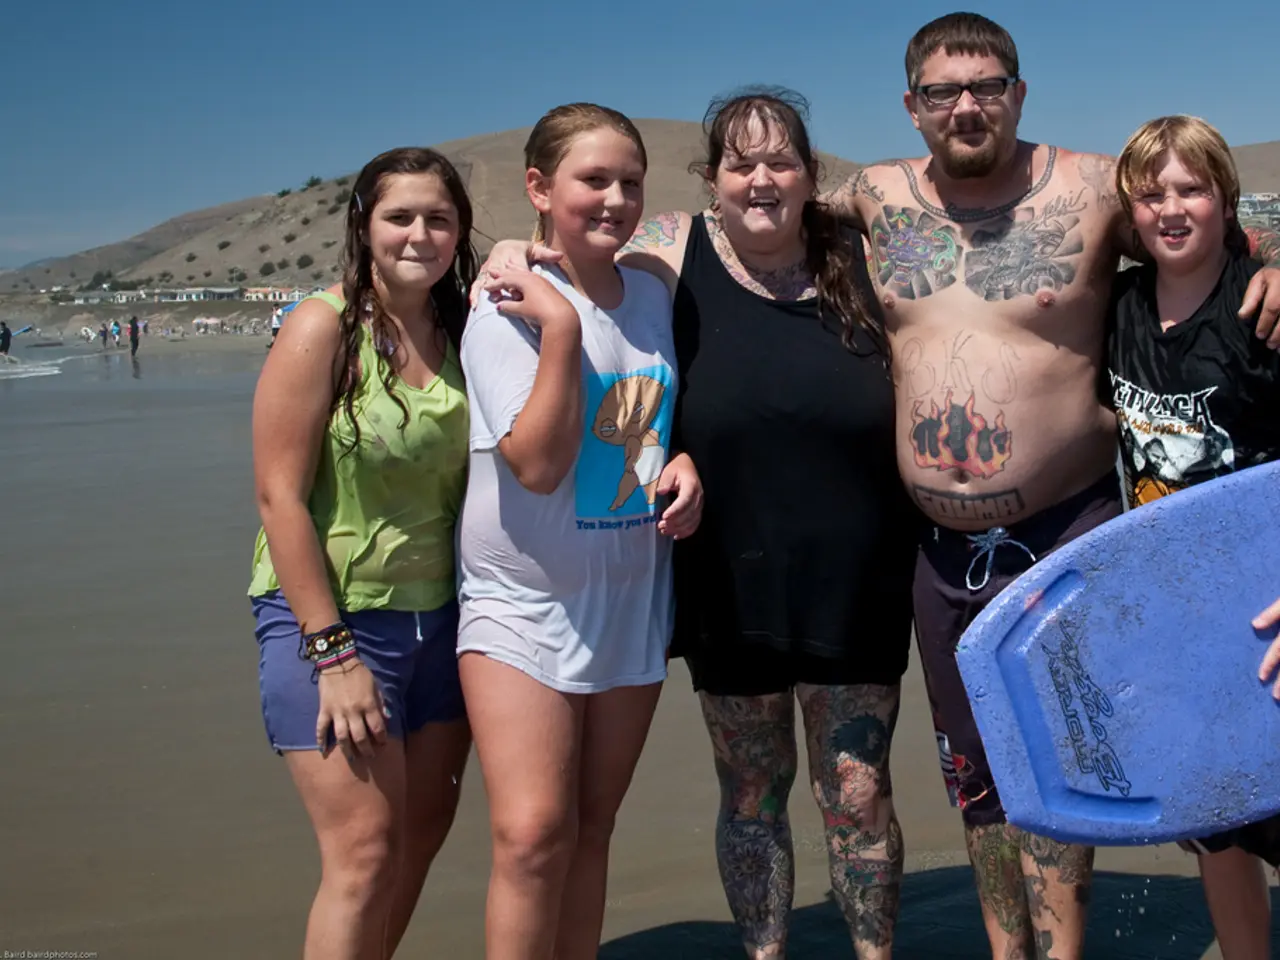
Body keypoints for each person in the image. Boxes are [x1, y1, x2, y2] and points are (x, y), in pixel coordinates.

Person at [815, 13, 1280, 958]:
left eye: (988, 85)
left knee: (1078, 761)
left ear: (1019, 94)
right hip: (939, 554)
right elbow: (745, 213)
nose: (967, 105)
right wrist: (524, 246)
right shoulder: (872, 195)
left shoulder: (1096, 188)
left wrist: (1279, 258)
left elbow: (1201, 215)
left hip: (1072, 540)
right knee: (979, 775)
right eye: (943, 91)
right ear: (911, 106)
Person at [476, 88, 919, 959]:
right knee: (752, 795)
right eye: (740, 164)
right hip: (727, 575)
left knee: (859, 794)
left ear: (811, 175)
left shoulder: (865, 257)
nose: (762, 179)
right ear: (711, 179)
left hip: (858, 577)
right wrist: (508, 247)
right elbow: (572, 238)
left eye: (781, 161)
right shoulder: (671, 254)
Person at [458, 103, 703, 960]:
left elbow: (649, 421)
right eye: (592, 180)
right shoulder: (506, 305)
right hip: (521, 604)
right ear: (538, 187)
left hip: (630, 599)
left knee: (593, 829)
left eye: (630, 182)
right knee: (532, 837)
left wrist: (683, 462)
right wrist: (559, 326)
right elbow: (535, 464)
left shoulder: (654, 291)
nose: (616, 199)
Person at [247, 147, 476, 960]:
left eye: (439, 218)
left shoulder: (465, 329)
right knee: (363, 853)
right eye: (399, 216)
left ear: (461, 231)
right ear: (363, 225)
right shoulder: (322, 326)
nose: (420, 234)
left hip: (444, 625)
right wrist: (333, 653)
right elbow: (278, 496)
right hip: (336, 620)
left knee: (420, 836)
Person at [1107, 114, 1280, 960]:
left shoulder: (1261, 306)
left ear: (1226, 199)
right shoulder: (1120, 308)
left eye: (1191, 189)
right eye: (1151, 193)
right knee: (1219, 825)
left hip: (1269, 612)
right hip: (1177, 619)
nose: (1171, 209)